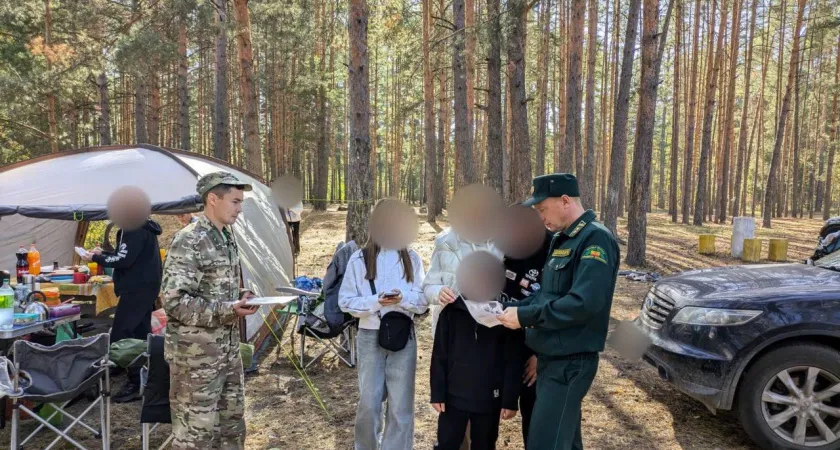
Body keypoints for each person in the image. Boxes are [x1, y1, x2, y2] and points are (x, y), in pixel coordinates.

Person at [497, 174, 620, 450]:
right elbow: (546, 295)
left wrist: (525, 318)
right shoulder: (562, 239)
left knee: (544, 443)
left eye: (542, 209)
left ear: (565, 201)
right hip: (552, 358)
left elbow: (584, 303)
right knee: (565, 442)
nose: (539, 217)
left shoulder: (594, 238)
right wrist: (509, 309)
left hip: (569, 362)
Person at [162, 171, 259, 450]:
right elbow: (174, 301)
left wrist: (241, 297)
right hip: (196, 359)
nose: (239, 209)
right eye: (235, 202)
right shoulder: (190, 239)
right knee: (196, 436)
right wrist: (228, 310)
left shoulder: (225, 236)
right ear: (213, 199)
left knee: (231, 427)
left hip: (226, 351)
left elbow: (214, 288)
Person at [339, 200, 428, 450]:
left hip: (403, 338)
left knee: (401, 406)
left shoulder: (411, 258)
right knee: (369, 402)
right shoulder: (359, 259)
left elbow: (423, 301)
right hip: (370, 336)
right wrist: (375, 301)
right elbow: (345, 301)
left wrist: (403, 298)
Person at [430, 289, 521, 450]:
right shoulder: (451, 312)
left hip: (489, 400)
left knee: (485, 444)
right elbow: (439, 355)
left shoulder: (504, 315)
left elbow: (512, 360)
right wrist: (437, 393)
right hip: (453, 400)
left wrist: (509, 400)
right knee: (447, 443)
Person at [86, 216, 163, 402]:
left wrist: (95, 258)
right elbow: (130, 253)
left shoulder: (133, 227)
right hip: (146, 285)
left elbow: (124, 260)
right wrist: (105, 252)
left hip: (137, 287)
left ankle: (135, 382)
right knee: (140, 332)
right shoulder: (141, 225)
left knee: (121, 334)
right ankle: (145, 375)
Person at [496, 206, 553, 448]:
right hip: (501, 345)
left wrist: (541, 355)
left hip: (535, 348)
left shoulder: (553, 250)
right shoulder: (501, 249)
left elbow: (558, 307)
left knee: (535, 420)